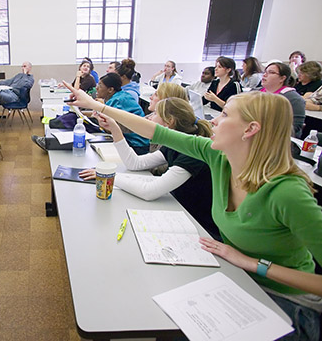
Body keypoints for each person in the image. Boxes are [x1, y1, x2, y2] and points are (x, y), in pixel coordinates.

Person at [63, 83, 322, 340]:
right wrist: (96, 105)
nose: (214, 120)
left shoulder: (287, 192)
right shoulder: (217, 157)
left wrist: (254, 264)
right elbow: (158, 132)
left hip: (286, 301)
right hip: (236, 275)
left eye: (225, 114)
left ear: (250, 129)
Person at [79, 97, 219, 239]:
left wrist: (109, 176)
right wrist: (115, 129)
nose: (150, 117)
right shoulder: (176, 144)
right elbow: (135, 164)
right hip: (180, 211)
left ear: (170, 122)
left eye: (155, 114)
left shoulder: (193, 153)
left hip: (200, 226)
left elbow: (150, 191)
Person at [94, 72, 149, 155]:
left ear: (110, 90)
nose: (96, 88)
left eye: (100, 85)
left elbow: (110, 126)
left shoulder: (118, 100)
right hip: (131, 141)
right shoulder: (116, 96)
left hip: (136, 145)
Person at [260, 62, 305, 138]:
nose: (265, 75)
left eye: (271, 72)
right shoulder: (255, 92)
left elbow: (295, 127)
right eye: (265, 72)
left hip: (277, 139)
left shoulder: (293, 98)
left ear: (282, 78)